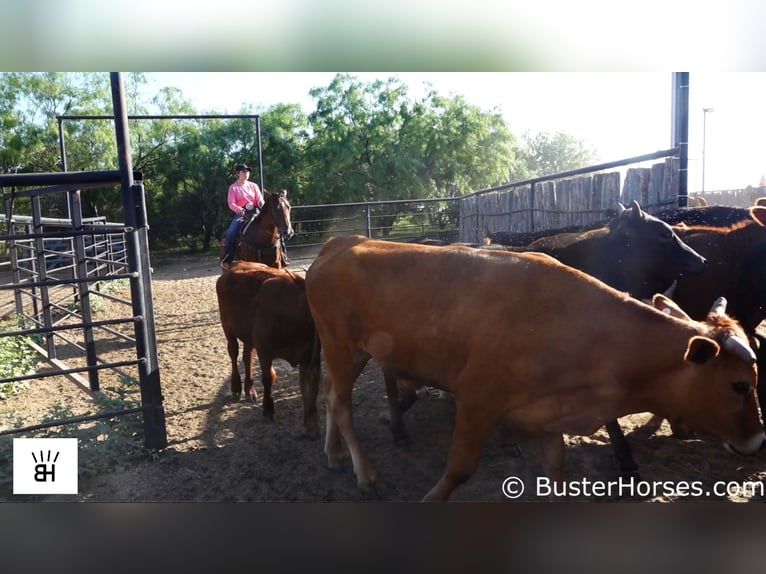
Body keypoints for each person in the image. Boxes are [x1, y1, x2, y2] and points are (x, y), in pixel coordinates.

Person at [220, 163, 264, 269]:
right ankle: (228, 257)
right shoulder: (233, 188)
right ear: (237, 174)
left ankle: (283, 254)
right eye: (243, 171)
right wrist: (239, 209)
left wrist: (262, 204)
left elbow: (259, 199)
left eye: (247, 171)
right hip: (242, 214)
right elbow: (231, 203)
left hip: (255, 212)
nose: (246, 173)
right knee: (231, 232)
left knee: (273, 225)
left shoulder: (253, 186)